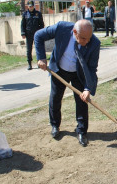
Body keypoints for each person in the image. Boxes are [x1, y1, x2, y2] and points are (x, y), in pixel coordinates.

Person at [34, 19, 101, 147]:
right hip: (59, 70)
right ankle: (55, 125)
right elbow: (38, 35)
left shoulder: (94, 43)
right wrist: (41, 57)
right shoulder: (61, 28)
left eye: (89, 38)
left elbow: (92, 69)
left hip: (79, 73)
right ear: (74, 32)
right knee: (55, 98)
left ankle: (81, 131)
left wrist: (87, 89)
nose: (86, 42)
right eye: (83, 38)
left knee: (82, 101)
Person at [21, 0, 44, 70]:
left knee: (38, 48)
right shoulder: (25, 14)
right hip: (28, 34)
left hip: (37, 33)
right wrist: (23, 33)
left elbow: (41, 24)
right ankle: (29, 64)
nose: (31, 7)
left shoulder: (38, 14)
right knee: (29, 49)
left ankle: (39, 62)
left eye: (32, 6)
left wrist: (41, 32)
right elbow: (23, 25)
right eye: (30, 6)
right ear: (28, 6)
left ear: (34, 6)